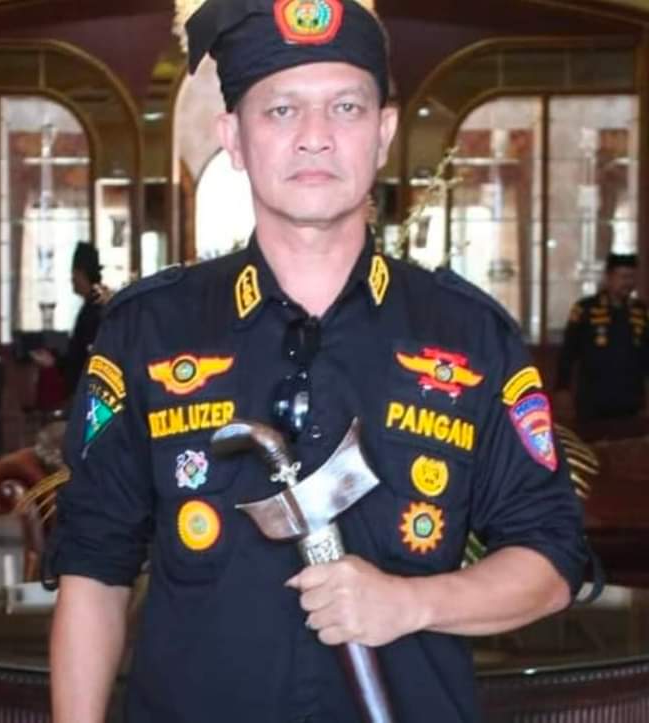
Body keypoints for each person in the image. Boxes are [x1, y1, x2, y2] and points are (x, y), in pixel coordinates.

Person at [47, 2, 590, 722]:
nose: (314, 136)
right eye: (280, 110)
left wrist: (408, 602)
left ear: (383, 133)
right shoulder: (149, 331)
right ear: (233, 138)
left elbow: (551, 561)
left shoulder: (468, 336)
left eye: (345, 107)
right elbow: (93, 569)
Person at [556, 252, 649, 422]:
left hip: (631, 400)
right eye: (623, 277)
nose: (628, 283)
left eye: (632, 277)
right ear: (609, 277)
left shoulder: (641, 310)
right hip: (593, 399)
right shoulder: (585, 309)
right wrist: (562, 387)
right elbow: (568, 352)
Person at [31, 242, 107, 404]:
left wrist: (55, 363)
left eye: (73, 274)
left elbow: (84, 359)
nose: (71, 280)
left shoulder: (93, 311)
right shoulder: (93, 306)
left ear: (81, 274)